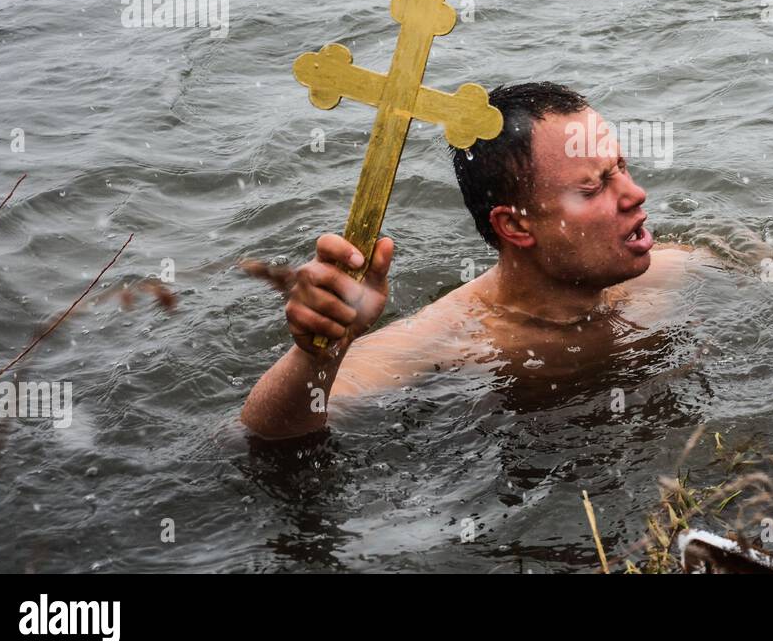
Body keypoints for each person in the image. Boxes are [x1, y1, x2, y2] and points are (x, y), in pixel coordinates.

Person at [241, 82, 711, 440]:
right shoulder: (451, 343)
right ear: (515, 226)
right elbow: (263, 434)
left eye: (621, 168)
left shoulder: (670, 273)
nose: (635, 194)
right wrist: (318, 352)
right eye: (592, 188)